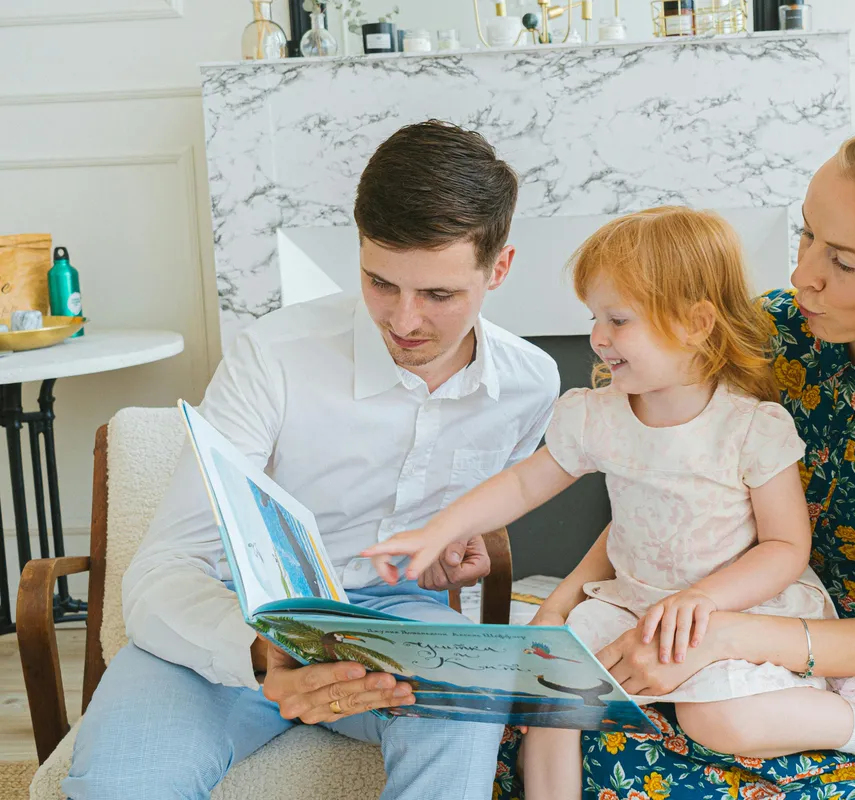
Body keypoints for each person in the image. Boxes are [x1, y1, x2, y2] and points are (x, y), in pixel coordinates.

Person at [495, 119, 855, 799]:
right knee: (552, 726)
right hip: (726, 606)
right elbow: (665, 485)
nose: (802, 276)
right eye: (806, 237)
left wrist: (727, 637)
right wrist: (563, 605)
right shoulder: (778, 333)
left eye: (842, 262)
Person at [365, 206, 855, 800]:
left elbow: (785, 546)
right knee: (551, 699)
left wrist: (706, 602)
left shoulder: (752, 428)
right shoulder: (596, 415)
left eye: (618, 320)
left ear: (696, 323)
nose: (597, 337)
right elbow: (524, 484)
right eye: (595, 316)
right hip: (633, 602)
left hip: (739, 611)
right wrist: (437, 532)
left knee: (717, 721)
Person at [62, 120, 560, 800]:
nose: (404, 320)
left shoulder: (531, 384)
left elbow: (468, 519)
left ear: (498, 269)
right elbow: (164, 567)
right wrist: (262, 653)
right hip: (243, 618)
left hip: (398, 627)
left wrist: (452, 552)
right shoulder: (275, 355)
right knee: (119, 786)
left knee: (465, 722)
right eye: (380, 283)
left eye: (438, 295)